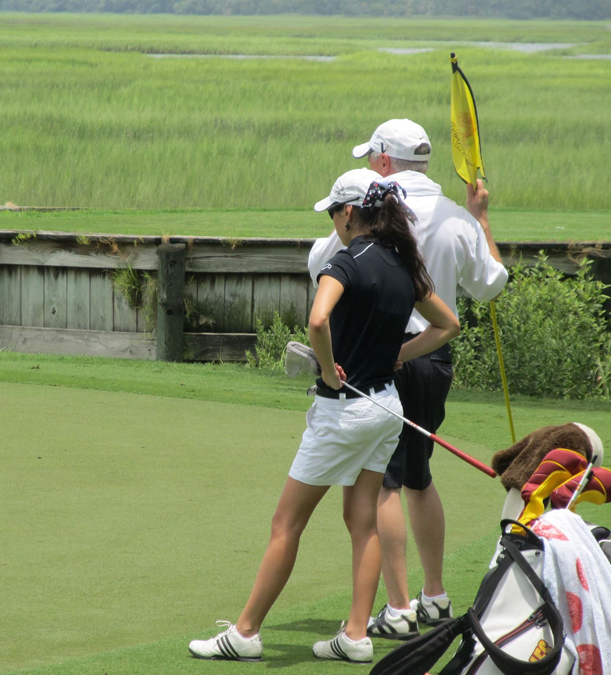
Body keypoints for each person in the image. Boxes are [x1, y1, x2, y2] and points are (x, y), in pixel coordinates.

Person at [189, 168, 460, 664]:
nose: (334, 221)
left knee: (285, 524)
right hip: (385, 409)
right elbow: (449, 324)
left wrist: (333, 376)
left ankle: (246, 632)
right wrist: (401, 355)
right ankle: (356, 635)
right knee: (364, 522)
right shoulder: (404, 261)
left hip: (343, 414)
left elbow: (317, 320)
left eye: (335, 211)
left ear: (351, 212)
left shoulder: (346, 262)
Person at [307, 119, 508, 640]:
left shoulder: (372, 212)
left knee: (385, 486)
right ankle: (435, 596)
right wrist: (482, 219)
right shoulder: (458, 216)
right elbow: (491, 285)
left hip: (388, 358)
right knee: (418, 476)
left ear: (383, 161)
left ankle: (399, 609)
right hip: (435, 359)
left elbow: (320, 265)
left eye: (372, 156)